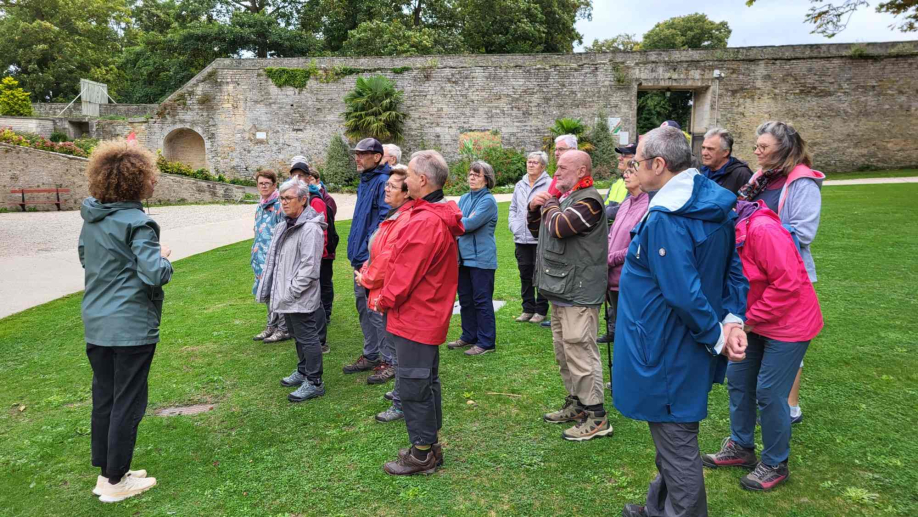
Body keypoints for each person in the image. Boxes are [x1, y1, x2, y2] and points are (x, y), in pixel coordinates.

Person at [615, 126, 749, 517]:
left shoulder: (666, 217)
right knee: (672, 438)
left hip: (666, 348)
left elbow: (682, 292)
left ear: (659, 164)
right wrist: (732, 319)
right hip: (679, 344)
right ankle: (659, 508)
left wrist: (719, 334)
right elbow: (734, 270)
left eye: (637, 162)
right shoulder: (710, 200)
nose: (632, 167)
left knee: (676, 443)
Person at [702, 200, 823, 492]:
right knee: (739, 380)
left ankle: (774, 463)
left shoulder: (763, 230)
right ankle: (742, 447)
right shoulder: (724, 232)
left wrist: (748, 320)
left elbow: (788, 284)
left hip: (789, 322)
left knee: (769, 391)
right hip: (751, 320)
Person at [79, 140, 171, 502]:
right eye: (151, 177)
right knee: (127, 401)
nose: (154, 182)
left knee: (105, 397)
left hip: (97, 322)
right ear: (134, 182)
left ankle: (108, 473)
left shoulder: (92, 219)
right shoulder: (139, 223)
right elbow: (154, 274)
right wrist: (163, 257)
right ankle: (116, 481)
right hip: (130, 325)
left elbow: (88, 260)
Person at [376, 150, 464, 475]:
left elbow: (403, 276)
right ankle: (429, 444)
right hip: (425, 315)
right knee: (426, 381)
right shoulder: (431, 213)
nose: (404, 180)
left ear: (423, 181)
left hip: (416, 316)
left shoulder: (426, 221)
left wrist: (381, 299)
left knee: (414, 385)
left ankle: (422, 453)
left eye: (409, 175)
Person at [738, 121, 824, 425]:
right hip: (756, 272)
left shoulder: (801, 182)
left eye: (764, 147)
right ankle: (768, 402)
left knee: (787, 342)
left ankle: (789, 406)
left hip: (789, 273)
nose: (757, 152)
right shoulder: (760, 177)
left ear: (783, 149)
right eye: (757, 146)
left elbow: (803, 232)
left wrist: (761, 234)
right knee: (759, 340)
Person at [528, 150, 612, 442]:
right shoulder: (566, 198)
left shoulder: (589, 200)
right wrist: (533, 209)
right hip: (562, 290)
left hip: (579, 292)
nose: (557, 172)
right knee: (565, 353)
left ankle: (597, 416)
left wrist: (548, 202)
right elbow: (540, 231)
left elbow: (560, 228)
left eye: (563, 168)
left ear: (581, 170)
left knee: (580, 352)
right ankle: (577, 404)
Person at [256, 179, 328, 403]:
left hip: (299, 296)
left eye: (288, 198)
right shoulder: (285, 224)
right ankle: (303, 370)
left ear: (303, 200)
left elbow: (310, 268)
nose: (283, 203)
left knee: (308, 337)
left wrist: (291, 292)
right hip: (287, 295)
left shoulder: (310, 228)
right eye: (282, 198)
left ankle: (314, 381)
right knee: (297, 335)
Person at [355, 164, 414, 422]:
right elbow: (378, 251)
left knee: (400, 352)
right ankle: (401, 391)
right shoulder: (393, 216)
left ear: (407, 192)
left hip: (390, 293)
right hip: (383, 290)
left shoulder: (402, 219)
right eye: (386, 184)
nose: (385, 189)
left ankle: (402, 402)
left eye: (391, 186)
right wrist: (367, 268)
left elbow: (389, 259)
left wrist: (366, 277)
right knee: (396, 348)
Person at [344, 138, 393, 378]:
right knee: (363, 308)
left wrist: (366, 252)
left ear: (377, 156)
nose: (357, 158)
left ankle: (389, 360)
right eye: (357, 154)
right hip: (360, 259)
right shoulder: (366, 181)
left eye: (362, 154)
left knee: (376, 310)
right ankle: (371, 353)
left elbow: (382, 225)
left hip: (371, 261)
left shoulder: (383, 182)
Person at [448, 161, 499, 356]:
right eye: (470, 174)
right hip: (463, 258)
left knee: (481, 300)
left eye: (477, 175)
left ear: (487, 180)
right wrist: (455, 220)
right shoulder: (463, 198)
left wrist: (455, 220)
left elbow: (467, 224)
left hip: (481, 260)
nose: (472, 177)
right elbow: (456, 219)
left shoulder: (488, 201)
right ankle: (469, 335)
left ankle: (486, 342)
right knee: (466, 300)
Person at [604, 165, 650, 351]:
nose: (625, 175)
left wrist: (610, 259)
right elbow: (612, 234)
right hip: (613, 279)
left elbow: (638, 246)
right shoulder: (626, 202)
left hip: (629, 278)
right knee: (621, 333)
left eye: (631, 172)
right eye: (626, 172)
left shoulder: (648, 205)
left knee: (633, 334)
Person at [295, 164, 339, 353]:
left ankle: (320, 337)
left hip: (319, 255)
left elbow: (323, 230)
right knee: (309, 294)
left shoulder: (317, 200)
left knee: (318, 294)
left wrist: (319, 255)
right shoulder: (300, 200)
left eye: (301, 176)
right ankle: (308, 334)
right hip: (306, 256)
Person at [598, 138, 637, 344]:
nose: (621, 159)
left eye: (627, 156)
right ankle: (612, 330)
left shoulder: (645, 201)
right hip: (612, 266)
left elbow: (635, 244)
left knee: (628, 327)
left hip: (625, 270)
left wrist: (610, 258)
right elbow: (607, 213)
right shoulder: (620, 188)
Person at [508, 151, 550, 324]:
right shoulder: (520, 184)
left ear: (543, 166)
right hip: (521, 238)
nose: (530, 164)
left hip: (540, 238)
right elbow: (513, 208)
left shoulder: (549, 184)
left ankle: (541, 310)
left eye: (535, 162)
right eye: (529, 161)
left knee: (540, 274)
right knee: (525, 273)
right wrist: (515, 225)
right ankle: (527, 308)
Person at [251, 169, 289, 344]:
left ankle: (283, 329)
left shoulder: (279, 206)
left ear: (275, 185)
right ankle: (271, 326)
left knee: (278, 292)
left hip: (275, 257)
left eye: (267, 183)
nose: (263, 186)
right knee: (267, 292)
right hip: (261, 258)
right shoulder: (260, 205)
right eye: (260, 183)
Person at [699, 128, 753, 194]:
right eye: (703, 148)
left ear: (725, 152)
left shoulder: (741, 174)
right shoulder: (700, 172)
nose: (704, 153)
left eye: (710, 149)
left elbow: (750, 202)